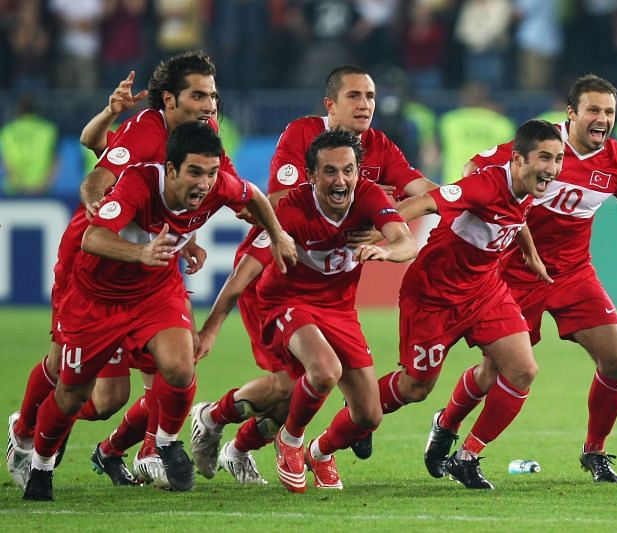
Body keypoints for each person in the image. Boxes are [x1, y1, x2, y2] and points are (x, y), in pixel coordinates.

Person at [424, 74, 617, 484]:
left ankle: (590, 451)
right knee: (496, 372)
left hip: (573, 273)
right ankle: (447, 423)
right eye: (594, 110)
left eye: (609, 112)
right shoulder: (542, 145)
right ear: (571, 113)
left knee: (616, 361)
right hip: (514, 274)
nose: (603, 119)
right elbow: (474, 166)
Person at [189, 64, 438, 483]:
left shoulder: (378, 149)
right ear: (330, 104)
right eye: (354, 97)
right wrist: (340, 215)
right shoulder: (302, 137)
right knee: (294, 385)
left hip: (335, 296)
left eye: (370, 97)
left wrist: (380, 222)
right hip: (277, 276)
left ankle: (241, 446)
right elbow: (278, 200)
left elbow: (427, 197)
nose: (365, 105)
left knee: (317, 396)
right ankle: (216, 421)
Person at [21, 121, 296, 501]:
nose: (204, 183)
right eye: (195, 172)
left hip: (154, 291)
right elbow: (93, 237)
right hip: (97, 298)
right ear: (170, 170)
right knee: (73, 394)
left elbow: (254, 196)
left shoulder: (218, 185)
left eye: (212, 173)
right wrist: (141, 253)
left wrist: (278, 234)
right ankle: (40, 466)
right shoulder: (138, 183)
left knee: (182, 365)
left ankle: (166, 443)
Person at [5, 52, 226, 491]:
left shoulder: (202, 135)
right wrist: (95, 203)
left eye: (213, 96)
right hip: (95, 265)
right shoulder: (146, 131)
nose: (210, 105)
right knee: (78, 382)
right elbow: (98, 173)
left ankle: (149, 450)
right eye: (200, 96)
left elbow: (175, 192)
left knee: (161, 370)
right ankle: (26, 430)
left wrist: (190, 237)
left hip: (149, 268)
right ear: (170, 99)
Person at [370, 119, 562, 490]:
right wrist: (388, 230)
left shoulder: (530, 185)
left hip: (483, 291)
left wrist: (531, 255)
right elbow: (427, 201)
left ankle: (467, 456)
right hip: (434, 294)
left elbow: (516, 217)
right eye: (545, 158)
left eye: (557, 160)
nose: (552, 168)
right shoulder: (484, 184)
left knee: (521, 370)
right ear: (519, 159)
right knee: (415, 387)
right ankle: (359, 413)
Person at [265, 129, 416, 492]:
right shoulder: (292, 209)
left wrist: (385, 251)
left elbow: (405, 241)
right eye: (330, 171)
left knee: (368, 415)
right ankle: (291, 439)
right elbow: (254, 263)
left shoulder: (368, 196)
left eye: (348, 170)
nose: (341, 179)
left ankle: (321, 451)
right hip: (290, 300)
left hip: (340, 309)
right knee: (324, 370)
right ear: (312, 176)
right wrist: (218, 318)